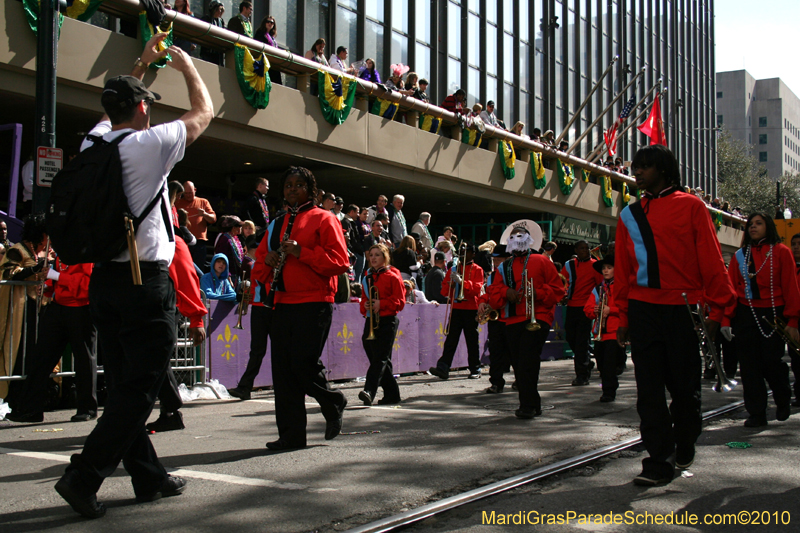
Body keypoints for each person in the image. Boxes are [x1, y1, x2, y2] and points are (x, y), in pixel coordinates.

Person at [51, 34, 213, 519]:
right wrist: (186, 67)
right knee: (140, 387)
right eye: (146, 103)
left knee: (125, 383)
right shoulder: (150, 144)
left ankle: (149, 477)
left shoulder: (96, 141)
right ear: (143, 108)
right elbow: (204, 113)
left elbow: (116, 107)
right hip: (145, 282)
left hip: (105, 280)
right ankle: (84, 477)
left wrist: (141, 64)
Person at [615, 144, 735, 487]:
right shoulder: (628, 214)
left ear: (664, 170)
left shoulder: (693, 206)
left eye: (645, 167)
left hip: (683, 308)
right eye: (635, 167)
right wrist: (622, 316)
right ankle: (658, 460)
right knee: (648, 390)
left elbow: (710, 258)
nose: (637, 172)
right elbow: (623, 270)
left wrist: (719, 308)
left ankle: (684, 442)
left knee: (685, 390)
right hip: (641, 308)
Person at [255, 166, 349, 450]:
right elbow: (258, 262)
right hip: (281, 303)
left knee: (302, 363)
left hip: (315, 302)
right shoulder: (277, 223)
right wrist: (268, 261)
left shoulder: (325, 218)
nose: (292, 189)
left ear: (311, 190)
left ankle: (333, 401)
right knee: (283, 372)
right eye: (288, 185)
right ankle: (291, 435)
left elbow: (340, 261)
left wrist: (301, 252)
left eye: (299, 185)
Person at [723, 213, 800, 427]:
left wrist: (793, 321)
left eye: (759, 224)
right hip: (745, 314)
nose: (753, 228)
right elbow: (731, 290)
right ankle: (756, 413)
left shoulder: (782, 252)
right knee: (749, 367)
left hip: (774, 314)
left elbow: (791, 288)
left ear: (769, 227)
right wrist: (725, 319)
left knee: (771, 363)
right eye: (751, 225)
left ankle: (782, 398)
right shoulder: (740, 255)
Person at [486, 227, 565, 418]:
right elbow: (493, 294)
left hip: (538, 316)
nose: (517, 239)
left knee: (527, 360)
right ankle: (532, 403)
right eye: (513, 236)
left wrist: (538, 292)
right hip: (512, 319)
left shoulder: (542, 261)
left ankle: (528, 405)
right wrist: (506, 292)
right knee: (518, 362)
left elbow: (558, 291)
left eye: (521, 235)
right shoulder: (503, 267)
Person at [6, 257, 96, 423]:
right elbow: (57, 278)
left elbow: (85, 285)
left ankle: (87, 408)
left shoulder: (84, 255)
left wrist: (57, 277)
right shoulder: (61, 255)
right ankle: (30, 409)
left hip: (80, 310)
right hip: (58, 307)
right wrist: (48, 285)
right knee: (41, 357)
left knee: (84, 360)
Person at [0, 215, 50, 402]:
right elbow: (7, 272)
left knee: (33, 353)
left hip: (37, 308)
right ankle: (14, 395)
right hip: (19, 311)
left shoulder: (42, 252)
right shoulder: (17, 250)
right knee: (18, 352)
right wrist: (34, 269)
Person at [429, 243, 485, 380]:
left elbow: (476, 289)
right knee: (451, 339)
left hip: (470, 308)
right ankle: (444, 366)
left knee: (471, 340)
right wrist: (451, 284)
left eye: (466, 252)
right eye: (461, 252)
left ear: (473, 254)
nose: (463, 255)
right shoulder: (453, 269)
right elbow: (443, 291)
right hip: (456, 308)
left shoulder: (478, 269)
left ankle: (475, 368)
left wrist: (462, 282)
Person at [359, 244, 405, 406]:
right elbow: (364, 298)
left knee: (380, 358)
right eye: (371, 255)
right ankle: (392, 394)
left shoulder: (393, 276)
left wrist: (381, 303)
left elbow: (400, 302)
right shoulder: (366, 277)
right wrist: (365, 304)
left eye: (377, 255)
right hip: (371, 319)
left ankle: (369, 391)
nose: (373, 258)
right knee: (378, 357)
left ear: (385, 258)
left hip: (387, 320)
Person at [561, 240, 602, 386]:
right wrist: (563, 293)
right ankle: (586, 361)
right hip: (572, 306)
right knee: (571, 337)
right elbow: (562, 282)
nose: (585, 250)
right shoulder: (569, 265)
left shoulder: (595, 265)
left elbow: (600, 286)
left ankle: (582, 375)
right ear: (576, 250)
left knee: (581, 342)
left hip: (586, 307)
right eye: (582, 248)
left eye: (587, 248)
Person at [583, 256, 621, 402]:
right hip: (600, 331)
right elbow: (587, 309)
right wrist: (595, 309)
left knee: (609, 364)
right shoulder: (598, 288)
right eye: (604, 268)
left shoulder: (621, 286)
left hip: (614, 331)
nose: (605, 270)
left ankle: (609, 391)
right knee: (602, 364)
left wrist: (611, 310)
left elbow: (626, 307)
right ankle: (608, 386)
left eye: (609, 268)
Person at [480, 244, 512, 394]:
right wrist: (482, 301)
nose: (496, 262)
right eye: (495, 259)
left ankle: (521, 380)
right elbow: (488, 292)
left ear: (508, 259)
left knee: (515, 351)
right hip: (496, 318)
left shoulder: (513, 274)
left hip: (512, 316)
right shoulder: (491, 276)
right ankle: (496, 382)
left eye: (499, 259)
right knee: (496, 351)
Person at [175, 181, 216, 271]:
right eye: (186, 193)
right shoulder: (178, 203)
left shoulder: (203, 202)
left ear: (195, 190)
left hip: (199, 242)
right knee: (183, 267)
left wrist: (204, 214)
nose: (188, 195)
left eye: (190, 193)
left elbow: (213, 219)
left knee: (198, 268)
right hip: (183, 241)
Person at [253, 16, 283, 85]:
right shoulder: (260, 33)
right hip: (264, 62)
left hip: (273, 62)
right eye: (268, 22)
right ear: (264, 23)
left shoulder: (272, 37)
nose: (270, 24)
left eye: (272, 22)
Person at [342, 204, 366, 281]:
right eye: (357, 212)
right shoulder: (346, 222)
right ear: (352, 212)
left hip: (357, 252)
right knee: (354, 276)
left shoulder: (352, 222)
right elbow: (348, 238)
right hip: (353, 253)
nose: (358, 215)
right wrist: (352, 251)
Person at [200, 1, 226, 66]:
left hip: (218, 53)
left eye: (221, 10)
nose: (220, 12)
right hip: (208, 51)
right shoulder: (206, 19)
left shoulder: (221, 21)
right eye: (218, 10)